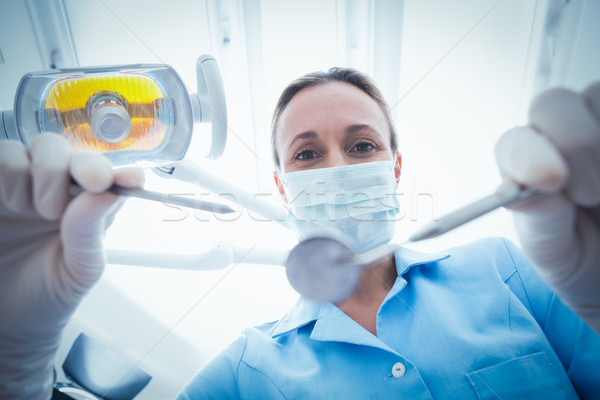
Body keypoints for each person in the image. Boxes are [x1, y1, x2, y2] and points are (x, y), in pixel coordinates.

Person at [0, 68, 598, 399]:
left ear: (395, 168)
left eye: (361, 145)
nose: (336, 167)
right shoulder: (245, 371)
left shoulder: (502, 268)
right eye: (307, 154)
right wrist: (13, 368)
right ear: (283, 187)